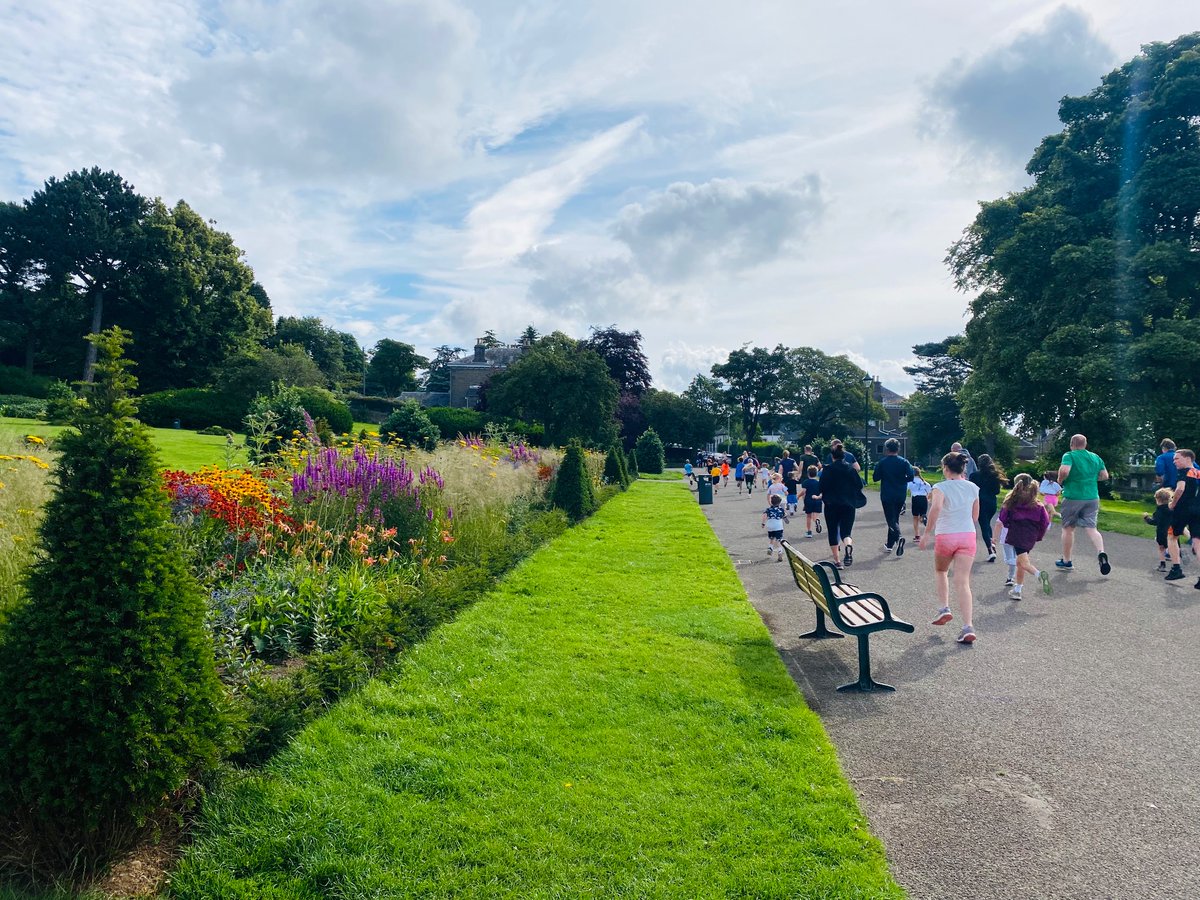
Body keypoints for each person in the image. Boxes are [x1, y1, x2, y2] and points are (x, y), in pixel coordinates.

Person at [919, 451, 980, 645]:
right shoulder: (973, 487)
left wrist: (927, 533)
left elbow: (936, 508)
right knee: (963, 582)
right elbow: (975, 516)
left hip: (946, 535)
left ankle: (944, 608)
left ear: (945, 468)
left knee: (941, 571)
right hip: (967, 535)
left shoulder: (940, 487)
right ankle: (968, 626)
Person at [1055, 434, 1111, 575]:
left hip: (1073, 496)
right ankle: (1101, 552)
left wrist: (1060, 480)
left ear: (1072, 444)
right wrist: (1091, 479)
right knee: (1092, 528)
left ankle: (1067, 561)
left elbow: (1065, 470)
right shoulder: (1095, 457)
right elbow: (1105, 476)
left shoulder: (1069, 455)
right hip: (1092, 496)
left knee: (1068, 529)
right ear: (1085, 444)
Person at [993, 473, 1052, 600]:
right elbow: (1045, 523)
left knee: (1024, 563)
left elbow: (1003, 518)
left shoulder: (1012, 502)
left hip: (1017, 534)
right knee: (1020, 563)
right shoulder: (1038, 505)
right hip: (1030, 536)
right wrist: (1038, 536)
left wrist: (1008, 525)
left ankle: (1040, 575)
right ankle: (1018, 590)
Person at [818, 445, 864, 568]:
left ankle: (837, 561)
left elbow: (821, 487)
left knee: (833, 531)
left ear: (832, 456)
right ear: (844, 456)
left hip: (831, 505)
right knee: (846, 532)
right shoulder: (851, 469)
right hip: (848, 504)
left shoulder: (828, 469)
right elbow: (859, 485)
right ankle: (848, 545)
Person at [873, 438, 914, 556]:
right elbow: (911, 476)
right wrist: (901, 480)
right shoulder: (904, 462)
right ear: (898, 449)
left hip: (887, 494)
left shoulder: (882, 462)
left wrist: (885, 475)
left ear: (886, 449)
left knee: (890, 519)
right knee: (895, 518)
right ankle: (890, 544)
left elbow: (875, 478)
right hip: (900, 493)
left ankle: (899, 537)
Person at [1164, 449, 1200, 583]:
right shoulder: (1198, 473)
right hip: (1198, 510)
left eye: (1177, 458)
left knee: (1172, 536)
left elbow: (1180, 489)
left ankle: (1176, 569)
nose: (1174, 462)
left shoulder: (1183, 472)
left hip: (1182, 509)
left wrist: (1172, 504)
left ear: (1188, 458)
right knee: (1197, 541)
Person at [970, 454, 1004, 562]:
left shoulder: (974, 476)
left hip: (980, 502)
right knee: (987, 524)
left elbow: (971, 490)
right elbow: (997, 491)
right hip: (991, 502)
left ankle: (990, 550)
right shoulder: (994, 475)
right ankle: (992, 544)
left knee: (984, 526)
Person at [1144, 487, 1173, 572]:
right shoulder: (1171, 510)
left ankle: (1162, 565)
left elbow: (1154, 522)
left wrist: (1146, 518)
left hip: (1161, 532)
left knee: (1161, 548)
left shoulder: (1159, 511)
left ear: (1158, 499)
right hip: (1171, 531)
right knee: (1172, 546)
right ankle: (1177, 557)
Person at [761, 493, 789, 562]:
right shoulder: (781, 510)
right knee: (778, 540)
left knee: (772, 538)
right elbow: (785, 517)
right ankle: (780, 552)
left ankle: (770, 548)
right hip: (778, 526)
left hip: (770, 526)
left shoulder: (768, 509)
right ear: (779, 502)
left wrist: (763, 523)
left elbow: (764, 516)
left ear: (771, 501)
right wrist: (786, 521)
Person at [908, 468, 932, 539]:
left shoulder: (911, 482)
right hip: (923, 499)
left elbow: (905, 488)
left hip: (915, 498)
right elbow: (930, 492)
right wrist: (928, 499)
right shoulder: (924, 482)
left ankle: (917, 535)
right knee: (922, 514)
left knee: (915, 517)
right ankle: (923, 518)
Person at [800, 465, 822, 538]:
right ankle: (816, 520)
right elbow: (822, 492)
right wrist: (818, 497)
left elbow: (804, 492)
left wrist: (798, 496)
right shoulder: (819, 483)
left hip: (809, 500)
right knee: (815, 515)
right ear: (816, 473)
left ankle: (809, 532)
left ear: (808, 473)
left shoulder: (806, 482)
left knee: (809, 516)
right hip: (817, 500)